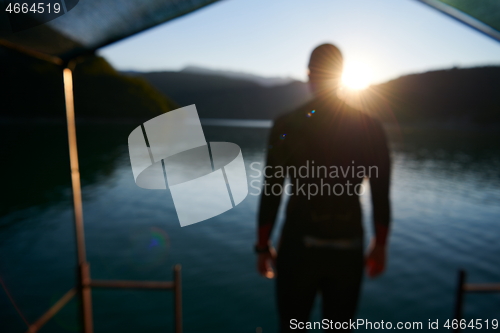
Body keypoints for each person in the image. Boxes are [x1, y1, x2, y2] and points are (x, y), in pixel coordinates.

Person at [254, 43, 391, 332]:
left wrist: (263, 247)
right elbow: (381, 194)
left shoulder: (286, 124)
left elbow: (272, 191)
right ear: (341, 75)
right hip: (348, 248)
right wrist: (380, 246)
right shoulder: (370, 127)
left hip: (298, 248)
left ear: (308, 75)